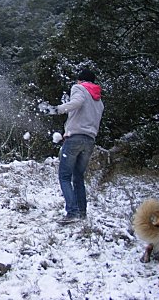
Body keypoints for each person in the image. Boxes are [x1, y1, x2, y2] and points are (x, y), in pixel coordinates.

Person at [43, 69, 104, 224]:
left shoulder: (79, 88)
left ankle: (72, 212)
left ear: (80, 80)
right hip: (90, 140)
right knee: (78, 177)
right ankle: (81, 213)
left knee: (64, 176)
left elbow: (76, 103)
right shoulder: (98, 100)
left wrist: (57, 109)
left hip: (75, 138)